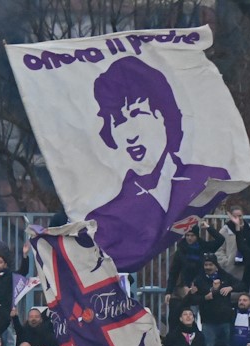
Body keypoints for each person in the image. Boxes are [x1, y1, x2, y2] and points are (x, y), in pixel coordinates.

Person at [85, 57, 231, 272]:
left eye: (137, 113)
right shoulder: (109, 214)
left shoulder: (209, 178)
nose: (129, 134)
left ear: (164, 115)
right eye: (117, 120)